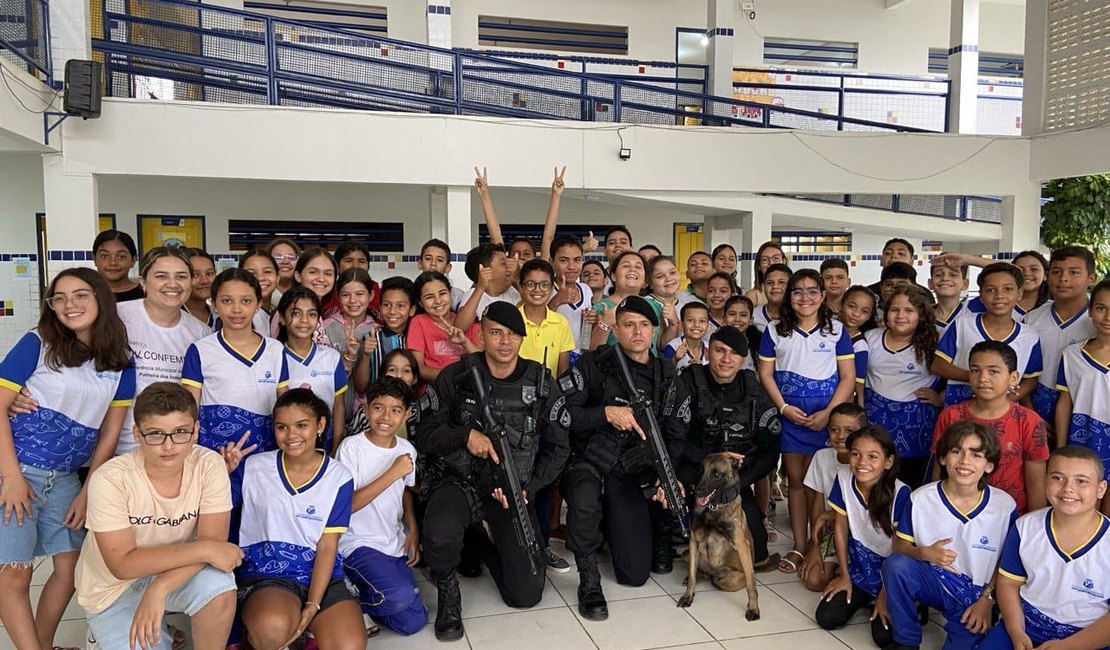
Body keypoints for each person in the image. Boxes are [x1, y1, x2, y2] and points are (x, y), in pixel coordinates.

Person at [412, 302, 569, 640]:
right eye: (496, 332)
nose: (504, 341)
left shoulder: (541, 382)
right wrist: (464, 435)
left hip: (510, 488)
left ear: (522, 338)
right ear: (480, 334)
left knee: (525, 594)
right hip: (459, 480)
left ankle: (480, 545)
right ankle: (448, 594)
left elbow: (559, 449)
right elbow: (423, 434)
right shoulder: (456, 376)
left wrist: (530, 486)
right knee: (438, 534)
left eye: (513, 334)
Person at [0, 268, 135, 650]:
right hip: (16, 471)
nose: (68, 305)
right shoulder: (37, 343)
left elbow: (109, 433)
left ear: (99, 299)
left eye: (80, 295)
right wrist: (11, 477)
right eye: (59, 298)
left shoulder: (120, 359)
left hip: (64, 479)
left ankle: (40, 643)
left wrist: (88, 489)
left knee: (71, 566)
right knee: (13, 574)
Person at [75, 382, 241, 650]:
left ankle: (163, 615)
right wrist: (208, 548)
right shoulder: (110, 478)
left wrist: (159, 588)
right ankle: (104, 634)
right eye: (155, 434)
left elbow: (214, 548)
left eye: (180, 432)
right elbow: (122, 565)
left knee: (219, 587)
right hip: (112, 589)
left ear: (195, 430)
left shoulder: (208, 464)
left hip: (172, 572)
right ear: (137, 435)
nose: (168, 445)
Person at [560, 296, 680, 621]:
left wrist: (667, 476)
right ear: (616, 329)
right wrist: (605, 413)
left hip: (631, 469)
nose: (637, 331)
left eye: (644, 325)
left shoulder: (665, 374)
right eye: (628, 324)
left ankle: (618, 527)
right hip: (590, 458)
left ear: (655, 331)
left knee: (634, 575)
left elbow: (674, 432)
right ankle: (588, 577)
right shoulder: (593, 364)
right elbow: (564, 414)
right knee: (584, 499)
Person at [227, 389, 365, 650]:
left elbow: (327, 545)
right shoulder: (253, 466)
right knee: (272, 628)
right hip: (267, 575)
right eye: (282, 427)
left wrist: (313, 605)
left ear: (320, 425)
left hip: (323, 576)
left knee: (349, 645)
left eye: (301, 425)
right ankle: (257, 637)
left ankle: (309, 631)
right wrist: (223, 473)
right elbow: (217, 510)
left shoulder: (339, 476)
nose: (291, 436)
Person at [883, 420, 1015, 650]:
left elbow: (1008, 566)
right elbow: (899, 546)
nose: (965, 461)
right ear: (943, 458)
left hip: (978, 595)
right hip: (935, 579)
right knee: (896, 565)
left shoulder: (1005, 506)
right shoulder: (921, 498)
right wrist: (921, 552)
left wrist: (987, 601)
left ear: (989, 465)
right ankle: (906, 640)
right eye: (957, 451)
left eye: (976, 455)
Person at [757, 268, 856, 574]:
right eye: (797, 291)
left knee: (822, 486)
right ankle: (800, 545)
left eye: (813, 291)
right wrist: (784, 408)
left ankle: (821, 546)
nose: (805, 297)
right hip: (791, 418)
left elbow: (848, 378)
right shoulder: (775, 330)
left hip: (825, 419)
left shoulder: (837, 331)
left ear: (823, 295)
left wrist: (828, 414)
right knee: (797, 483)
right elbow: (766, 374)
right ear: (789, 296)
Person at [663, 327, 782, 571]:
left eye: (734, 354)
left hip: (732, 482)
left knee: (757, 550)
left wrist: (739, 483)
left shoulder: (753, 389)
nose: (726, 359)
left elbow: (770, 451)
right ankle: (671, 534)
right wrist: (709, 458)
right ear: (709, 352)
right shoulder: (689, 381)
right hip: (692, 472)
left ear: (744, 358)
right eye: (719, 351)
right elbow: (672, 439)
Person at [979, 445, 1110, 650]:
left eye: (1081, 481)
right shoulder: (1026, 527)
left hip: (1087, 634)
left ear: (1100, 489)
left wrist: (1068, 646)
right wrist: (1016, 631)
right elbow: (1009, 583)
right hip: (1028, 623)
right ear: (1045, 480)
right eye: (1057, 478)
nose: (1068, 488)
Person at [337, 377, 428, 636]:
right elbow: (346, 506)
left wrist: (412, 528)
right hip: (358, 543)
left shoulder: (407, 449)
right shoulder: (351, 448)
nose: (386, 416)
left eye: (395, 410)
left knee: (412, 622)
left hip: (392, 541)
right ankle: (348, 599)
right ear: (365, 409)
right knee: (397, 596)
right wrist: (393, 472)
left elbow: (405, 492)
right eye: (378, 407)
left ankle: (368, 599)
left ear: (406, 415)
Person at [814, 426, 908, 648]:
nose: (862, 462)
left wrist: (886, 595)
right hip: (860, 571)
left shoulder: (901, 493)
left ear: (888, 461)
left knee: (884, 638)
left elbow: (901, 549)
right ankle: (866, 596)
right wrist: (844, 575)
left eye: (872, 456)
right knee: (827, 617)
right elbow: (840, 528)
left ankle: (889, 597)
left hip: (890, 574)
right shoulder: (844, 478)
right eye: (855, 454)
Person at [933, 341, 1049, 513]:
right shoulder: (951, 416)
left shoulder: (1029, 421)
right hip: (956, 512)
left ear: (1013, 378)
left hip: (1010, 517)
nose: (983, 378)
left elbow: (1036, 485)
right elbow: (939, 471)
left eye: (993, 371)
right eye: (975, 370)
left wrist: (1032, 531)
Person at [183, 269, 289, 454]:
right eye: (226, 301)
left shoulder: (276, 350)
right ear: (214, 304)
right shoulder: (200, 350)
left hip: (265, 455)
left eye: (246, 301)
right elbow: (189, 411)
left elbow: (284, 405)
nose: (237, 309)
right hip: (216, 456)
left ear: (258, 304)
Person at [856, 286, 942, 488]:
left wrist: (941, 398)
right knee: (877, 485)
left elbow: (959, 375)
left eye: (909, 310)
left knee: (913, 487)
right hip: (876, 423)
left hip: (918, 428)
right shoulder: (870, 338)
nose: (901, 315)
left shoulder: (935, 342)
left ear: (921, 314)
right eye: (895, 310)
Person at [932, 263, 1043, 405]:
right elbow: (938, 365)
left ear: (1019, 293)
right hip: (959, 406)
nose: (999, 296)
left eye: (1008, 289)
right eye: (990, 290)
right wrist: (979, 378)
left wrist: (1006, 399)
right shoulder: (963, 323)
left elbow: (1031, 378)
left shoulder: (1029, 336)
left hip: (1002, 410)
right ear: (981, 295)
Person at [1055, 278, 1110, 510]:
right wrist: (1060, 448)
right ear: (1090, 310)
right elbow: (1064, 403)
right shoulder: (1072, 355)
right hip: (1083, 438)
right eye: (1101, 308)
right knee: (1085, 503)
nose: (1107, 317)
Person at [1025, 246, 1096, 425]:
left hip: (1083, 410)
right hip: (1034, 408)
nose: (1063, 278)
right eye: (1056, 272)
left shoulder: (1098, 323)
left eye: (1074, 272)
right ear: (1047, 276)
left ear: (1091, 278)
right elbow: (1020, 372)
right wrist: (1030, 414)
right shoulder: (1031, 320)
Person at [800, 403, 865, 593]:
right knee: (813, 580)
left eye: (849, 430)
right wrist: (814, 546)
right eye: (834, 430)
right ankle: (837, 567)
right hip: (833, 532)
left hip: (862, 535)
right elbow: (817, 508)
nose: (841, 436)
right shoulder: (822, 457)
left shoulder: (867, 464)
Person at [277, 287, 347, 454]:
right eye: (296, 313)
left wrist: (336, 446)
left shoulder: (331, 357)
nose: (304, 320)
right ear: (282, 318)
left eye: (312, 314)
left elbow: (338, 406)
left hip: (324, 444)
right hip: (288, 444)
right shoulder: (274, 357)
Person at [320, 268, 378, 436]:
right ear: (338, 296)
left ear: (371, 296)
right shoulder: (325, 328)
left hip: (364, 419)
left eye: (360, 294)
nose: (353, 300)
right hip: (329, 413)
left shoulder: (377, 331)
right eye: (346, 295)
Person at [406, 271, 482, 384]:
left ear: (450, 293)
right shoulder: (418, 323)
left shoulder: (466, 322)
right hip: (436, 390)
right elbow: (421, 370)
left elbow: (483, 364)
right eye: (429, 297)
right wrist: (457, 377)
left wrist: (465, 342)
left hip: (468, 392)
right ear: (420, 303)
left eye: (442, 293)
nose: (438, 301)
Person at [518, 258, 575, 378]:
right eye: (530, 284)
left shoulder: (561, 323)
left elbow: (562, 371)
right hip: (515, 392)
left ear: (552, 289)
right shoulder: (512, 320)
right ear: (521, 287)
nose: (537, 289)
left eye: (544, 284)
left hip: (550, 393)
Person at [356, 276, 414, 389]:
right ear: (380, 308)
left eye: (400, 306)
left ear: (412, 310)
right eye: (386, 305)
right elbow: (360, 386)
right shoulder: (371, 338)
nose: (392, 311)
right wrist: (366, 355)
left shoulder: (418, 338)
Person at [270, 247, 337, 339]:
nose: (321, 279)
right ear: (298, 276)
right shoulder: (285, 311)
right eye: (313, 272)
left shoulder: (323, 310)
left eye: (328, 273)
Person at [548, 234, 595, 361]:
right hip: (553, 357)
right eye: (564, 260)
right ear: (551, 262)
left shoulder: (586, 290)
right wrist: (557, 300)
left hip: (582, 358)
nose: (572, 266)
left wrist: (594, 318)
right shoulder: (545, 289)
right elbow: (537, 321)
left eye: (577, 260)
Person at [455, 243, 522, 332]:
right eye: (503, 263)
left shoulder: (513, 291)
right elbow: (459, 328)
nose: (510, 267)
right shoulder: (473, 294)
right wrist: (480, 288)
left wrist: (517, 279)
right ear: (485, 271)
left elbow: (532, 308)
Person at [590, 251, 649, 350]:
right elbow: (591, 350)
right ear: (613, 276)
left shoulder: (653, 306)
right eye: (626, 266)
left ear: (645, 280)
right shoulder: (600, 308)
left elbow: (660, 345)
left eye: (638, 267)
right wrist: (605, 323)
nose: (632, 269)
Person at [643, 256, 682, 354]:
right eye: (660, 276)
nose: (668, 279)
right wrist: (673, 323)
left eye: (672, 273)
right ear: (650, 283)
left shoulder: (685, 302)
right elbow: (662, 347)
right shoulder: (647, 305)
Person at [93, 229, 144, 302]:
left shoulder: (146, 295)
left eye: (121, 257)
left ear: (133, 260)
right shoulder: (86, 294)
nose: (113, 263)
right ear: (94, 259)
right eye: (104, 256)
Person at [418, 238, 466, 310]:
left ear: (448, 267)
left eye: (440, 260)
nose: (433, 263)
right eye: (428, 259)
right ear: (420, 264)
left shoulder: (457, 296)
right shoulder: (410, 293)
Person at [240, 249, 280, 331]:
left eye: (267, 272)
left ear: (278, 278)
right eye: (251, 273)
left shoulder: (277, 312)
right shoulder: (239, 316)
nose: (260, 278)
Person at [662, 301, 710, 371]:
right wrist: (675, 359)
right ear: (681, 325)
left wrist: (704, 369)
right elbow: (664, 374)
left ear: (708, 327)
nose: (696, 325)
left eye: (702, 321)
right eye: (690, 320)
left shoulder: (710, 348)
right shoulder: (673, 347)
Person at [928, 261, 970, 335]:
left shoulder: (974, 308)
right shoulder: (920, 314)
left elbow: (996, 268)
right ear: (930, 283)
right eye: (938, 275)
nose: (945, 278)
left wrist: (968, 259)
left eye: (953, 274)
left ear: (965, 284)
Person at [750, 263, 791, 334]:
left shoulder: (798, 316)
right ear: (764, 286)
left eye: (781, 282)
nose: (775, 286)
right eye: (770, 283)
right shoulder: (753, 315)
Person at [183, 248, 218, 330]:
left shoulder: (219, 315)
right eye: (195, 275)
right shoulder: (173, 316)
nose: (204, 280)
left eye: (209, 273)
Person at [746, 242, 787, 308]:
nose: (771, 262)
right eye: (765, 259)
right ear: (759, 265)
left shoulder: (794, 290)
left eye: (776, 258)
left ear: (784, 261)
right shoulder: (753, 296)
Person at [265, 238, 301, 310]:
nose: (285, 261)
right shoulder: (261, 292)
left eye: (291, 257)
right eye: (278, 257)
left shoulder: (307, 291)